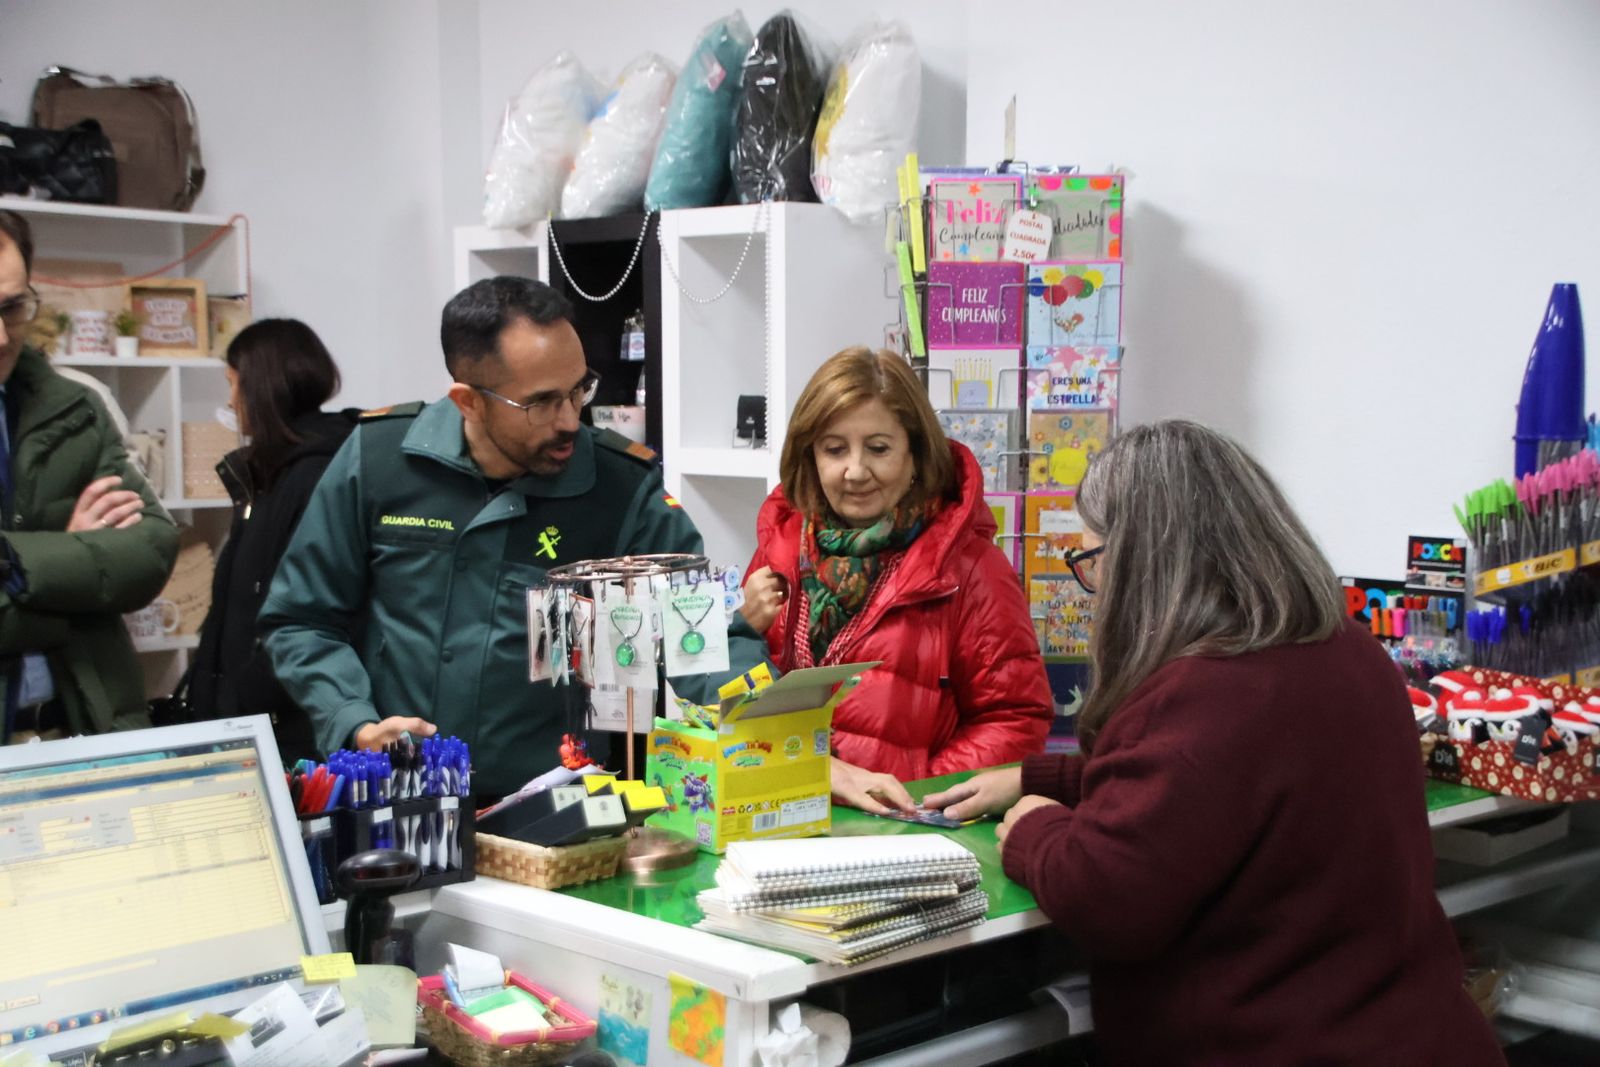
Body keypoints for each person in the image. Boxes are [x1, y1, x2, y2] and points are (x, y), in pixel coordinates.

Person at [926, 421, 1505, 1065]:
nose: (1094, 592)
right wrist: (1049, 778)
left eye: (1092, 561)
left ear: (1146, 563)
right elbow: (1213, 789)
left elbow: (1105, 901)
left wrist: (1036, 832)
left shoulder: (1199, 691)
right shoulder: (1350, 652)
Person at [259, 276, 767, 800]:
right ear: (468, 402)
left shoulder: (621, 489)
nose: (571, 419)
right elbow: (301, 620)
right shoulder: (381, 461)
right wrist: (354, 722)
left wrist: (780, 733)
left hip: (554, 816)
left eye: (579, 390)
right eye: (542, 403)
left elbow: (706, 641)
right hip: (399, 805)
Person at [742, 347, 1051, 813]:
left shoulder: (969, 569)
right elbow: (736, 711)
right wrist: (738, 628)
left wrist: (917, 798)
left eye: (879, 448)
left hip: (901, 836)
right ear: (810, 454)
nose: (856, 471)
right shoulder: (780, 550)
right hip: (780, 823)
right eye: (834, 449)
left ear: (915, 455)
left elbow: (1015, 721)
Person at [0, 209, 178, 742]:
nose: (1, 336)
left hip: (81, 728)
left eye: (12, 308)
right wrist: (68, 571)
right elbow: (106, 568)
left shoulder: (75, 407)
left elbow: (149, 552)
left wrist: (19, 567)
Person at [190, 319, 359, 763]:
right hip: (250, 725)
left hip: (287, 733)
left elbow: (297, 606)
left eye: (233, 383)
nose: (229, 400)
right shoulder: (266, 475)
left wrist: (246, 697)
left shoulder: (315, 474)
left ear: (261, 384)